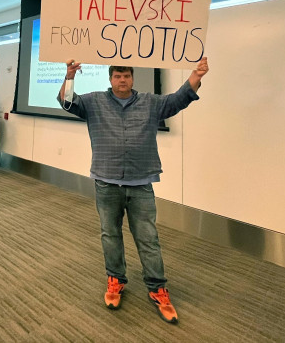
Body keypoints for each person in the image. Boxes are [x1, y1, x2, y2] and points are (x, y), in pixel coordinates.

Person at [57, 57, 210, 324]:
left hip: (141, 184)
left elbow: (178, 100)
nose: (122, 80)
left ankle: (157, 288)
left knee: (148, 239)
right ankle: (115, 280)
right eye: (117, 76)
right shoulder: (94, 102)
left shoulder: (150, 103)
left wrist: (197, 75)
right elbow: (68, 102)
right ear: (110, 78)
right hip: (106, 182)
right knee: (110, 235)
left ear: (132, 77)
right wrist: (69, 76)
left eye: (126, 75)